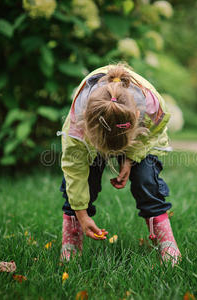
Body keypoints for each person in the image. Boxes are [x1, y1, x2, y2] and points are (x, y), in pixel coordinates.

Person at [58, 63, 181, 265]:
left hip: (142, 139)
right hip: (98, 132)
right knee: (86, 180)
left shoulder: (151, 106)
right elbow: (74, 169)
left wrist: (130, 159)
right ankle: (71, 240)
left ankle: (166, 243)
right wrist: (81, 213)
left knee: (146, 180)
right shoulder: (78, 124)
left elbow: (153, 134)